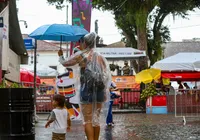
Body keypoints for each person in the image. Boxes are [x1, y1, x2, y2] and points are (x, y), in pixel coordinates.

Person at [58, 32, 111, 140]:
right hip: (100, 91)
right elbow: (105, 75)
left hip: (86, 91)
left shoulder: (81, 56)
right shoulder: (101, 57)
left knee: (88, 120)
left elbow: (65, 63)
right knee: (96, 119)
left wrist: (60, 55)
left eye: (82, 42)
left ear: (85, 43)